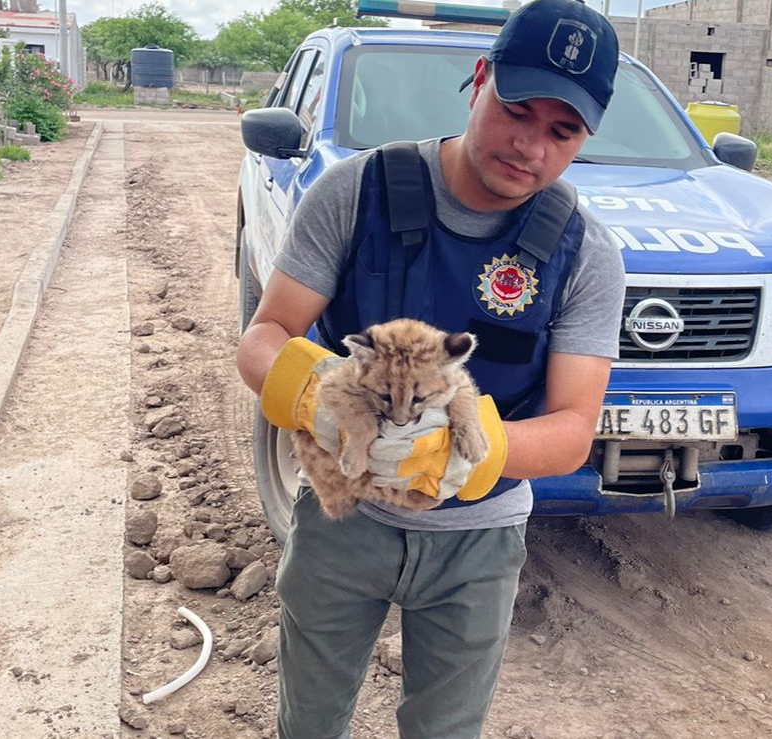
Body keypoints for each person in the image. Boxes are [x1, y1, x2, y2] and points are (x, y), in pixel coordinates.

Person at [236, 0, 626, 736]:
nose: (530, 145)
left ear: (583, 138)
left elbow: (575, 428)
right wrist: (319, 396)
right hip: (343, 516)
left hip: (478, 541)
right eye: (517, 109)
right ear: (479, 79)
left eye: (561, 130)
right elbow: (265, 334)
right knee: (308, 720)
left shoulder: (586, 253)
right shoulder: (359, 191)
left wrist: (471, 453)